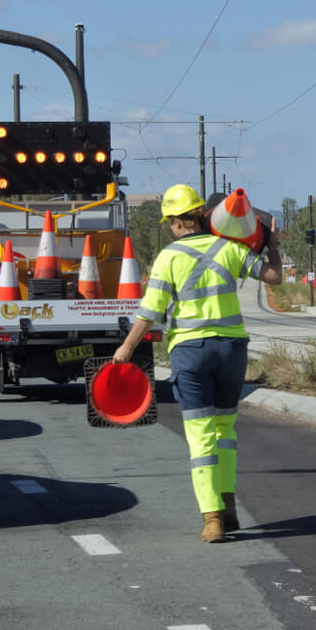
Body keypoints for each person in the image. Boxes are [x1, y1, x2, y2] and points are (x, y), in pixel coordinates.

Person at [113, 183, 282, 543]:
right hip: (232, 351)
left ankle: (212, 521)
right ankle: (229, 506)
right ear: (200, 216)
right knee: (225, 433)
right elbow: (273, 277)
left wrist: (127, 348)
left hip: (190, 353)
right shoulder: (231, 248)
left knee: (201, 438)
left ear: (175, 222)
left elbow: (150, 313)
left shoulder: (168, 258)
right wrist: (274, 247)